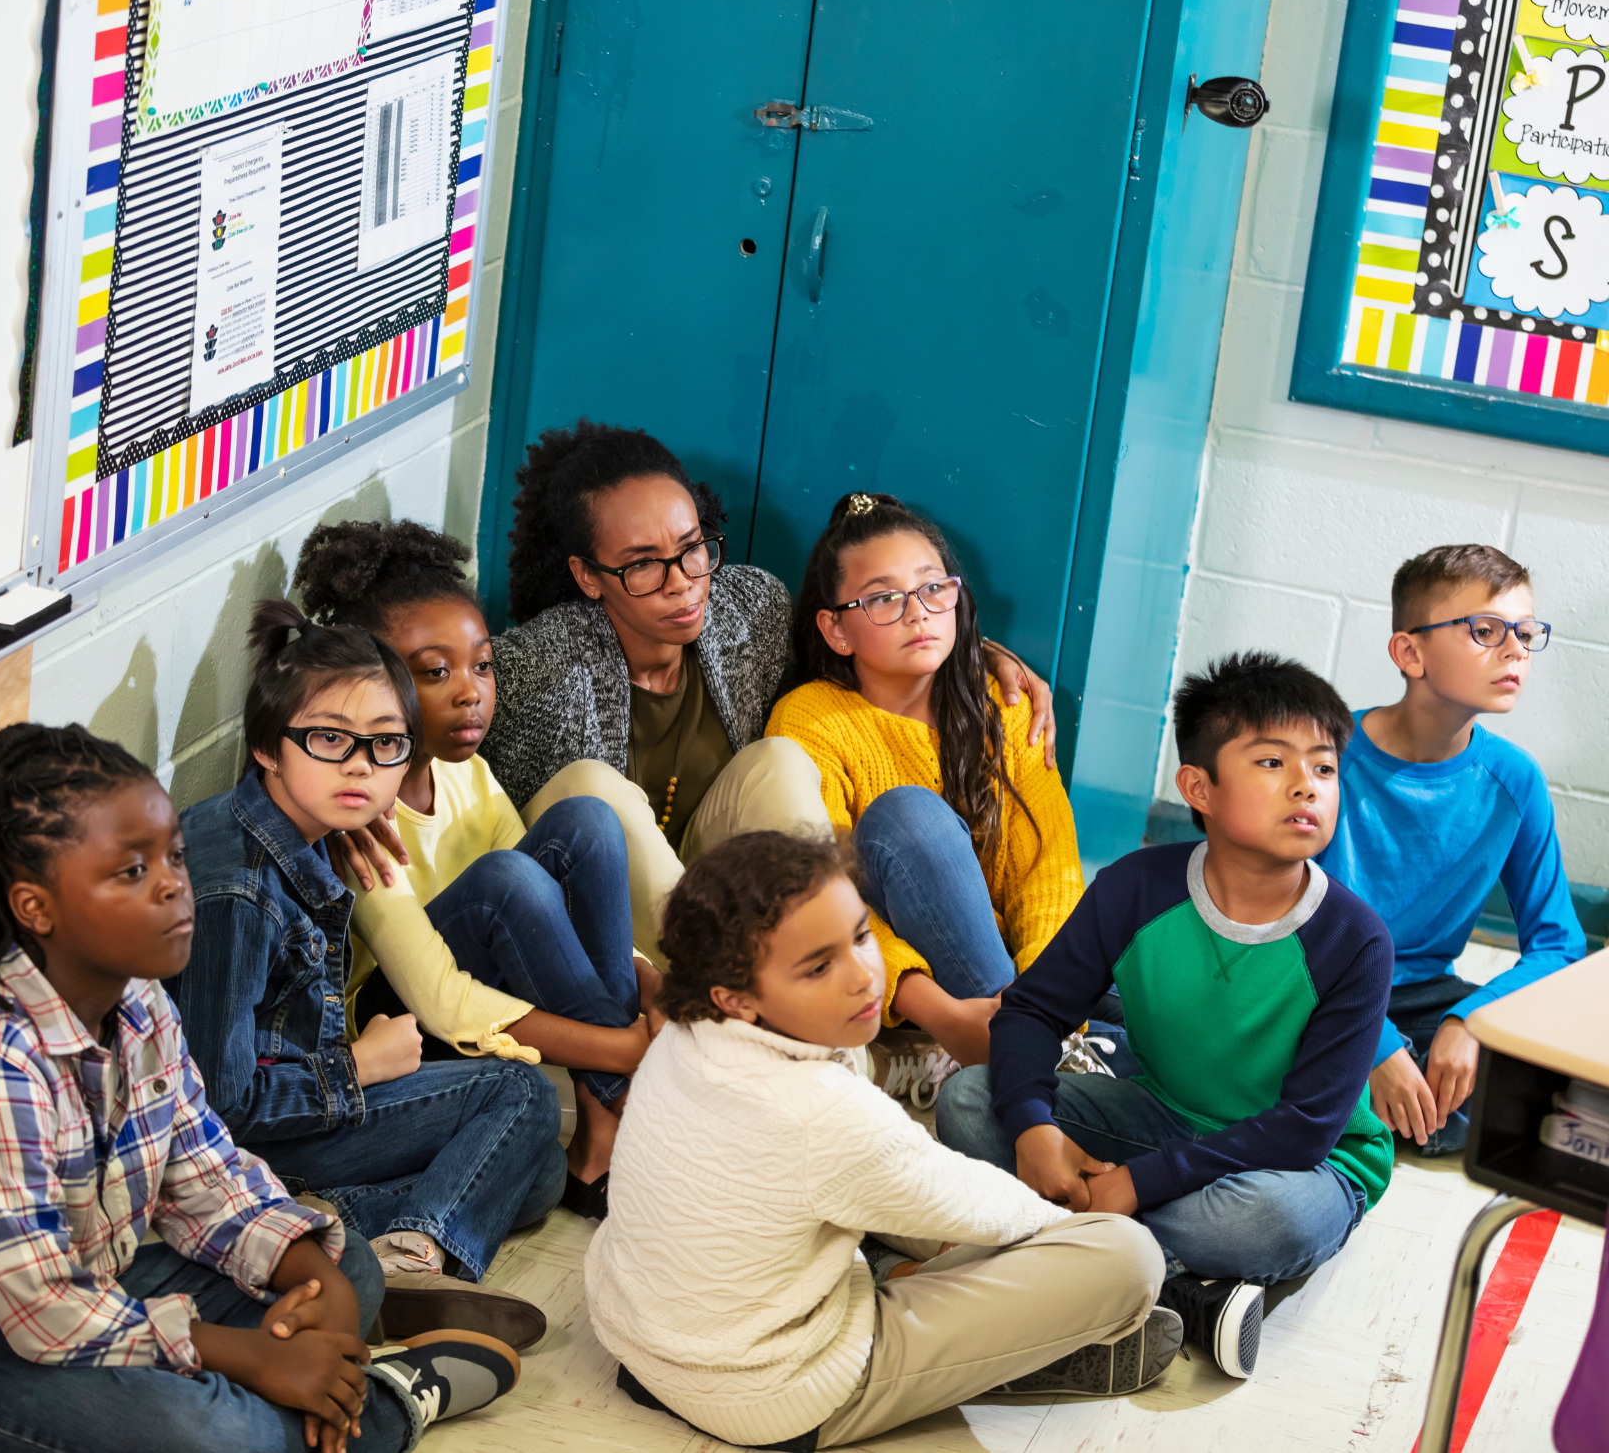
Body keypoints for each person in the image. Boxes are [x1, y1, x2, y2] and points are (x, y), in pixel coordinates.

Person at [0, 723, 521, 1453]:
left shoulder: (139, 1000)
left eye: (173, 855)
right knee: (212, 1431)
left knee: (346, 1267)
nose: (174, 885)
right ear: (35, 906)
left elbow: (204, 1174)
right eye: (131, 871)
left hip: (84, 1274)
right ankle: (372, 1408)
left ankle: (295, 1398)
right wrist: (255, 1355)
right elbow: (42, 1312)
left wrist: (306, 1271)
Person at [585, 829, 1179, 1451]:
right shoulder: (822, 1113)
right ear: (735, 998)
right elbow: (980, 1206)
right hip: (765, 1392)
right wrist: (1073, 1219)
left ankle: (909, 1273)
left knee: (918, 1198)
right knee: (1127, 1257)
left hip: (636, 1338)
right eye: (818, 967)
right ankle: (991, 1347)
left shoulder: (684, 1032)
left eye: (862, 936)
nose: (864, 977)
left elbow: (904, 1178)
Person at [937, 652, 1395, 1381]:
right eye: (1273, 761)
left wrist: (1137, 1182)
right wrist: (1034, 1128)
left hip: (1304, 1164)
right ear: (1198, 787)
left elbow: (1306, 1125)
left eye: (1325, 767)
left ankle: (1058, 1245)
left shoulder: (1355, 937)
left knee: (1265, 1223)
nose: (1307, 783)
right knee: (967, 1099)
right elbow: (1031, 1011)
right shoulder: (1137, 887)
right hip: (1164, 1112)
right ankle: (1179, 1285)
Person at [480, 419, 1056, 962]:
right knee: (592, 788)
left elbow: (855, 648)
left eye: (692, 547)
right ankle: (711, 1004)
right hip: (595, 914)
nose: (682, 582)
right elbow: (456, 768)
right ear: (587, 576)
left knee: (780, 759)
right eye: (642, 566)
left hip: (714, 881)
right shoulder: (541, 669)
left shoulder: (748, 609)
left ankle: (832, 1028)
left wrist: (971, 651)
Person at [175, 602, 558, 1350]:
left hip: (292, 1136)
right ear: (265, 746)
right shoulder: (239, 892)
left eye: (385, 745)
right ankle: (410, 1254)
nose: (359, 765)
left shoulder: (302, 829)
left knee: (538, 1170)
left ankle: (328, 1229)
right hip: (247, 1145)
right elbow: (220, 1105)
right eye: (329, 740)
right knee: (518, 1095)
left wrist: (347, 820)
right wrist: (361, 1063)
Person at [292, 518, 661, 1219]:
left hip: (476, 988)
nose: (471, 692)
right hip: (397, 1023)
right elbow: (439, 1000)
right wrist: (624, 1045)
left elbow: (552, 911)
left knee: (586, 821)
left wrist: (649, 976)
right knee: (502, 883)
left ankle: (603, 1120)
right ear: (373, 682)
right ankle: (621, 1097)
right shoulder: (354, 815)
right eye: (436, 672)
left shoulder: (469, 775)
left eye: (482, 665)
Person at [766, 491, 1085, 1095]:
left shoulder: (1006, 710)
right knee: (909, 816)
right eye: (884, 598)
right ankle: (1042, 1067)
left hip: (1017, 987)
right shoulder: (811, 721)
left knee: (1158, 972)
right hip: (914, 990)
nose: (918, 613)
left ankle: (1045, 1055)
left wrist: (1051, 998)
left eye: (933, 588)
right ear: (835, 629)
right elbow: (824, 903)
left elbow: (1051, 876)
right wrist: (941, 1012)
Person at [1319, 544, 1587, 1157]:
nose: (1516, 649)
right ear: (1410, 652)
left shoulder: (1514, 781)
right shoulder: (1328, 758)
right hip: (1312, 985)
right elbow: (1285, 925)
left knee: (1535, 1109)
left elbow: (1559, 943)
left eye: (1526, 633)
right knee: (1277, 1066)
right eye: (1486, 631)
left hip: (1421, 996)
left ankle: (1363, 1107)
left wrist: (1471, 1019)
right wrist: (1376, 1048)